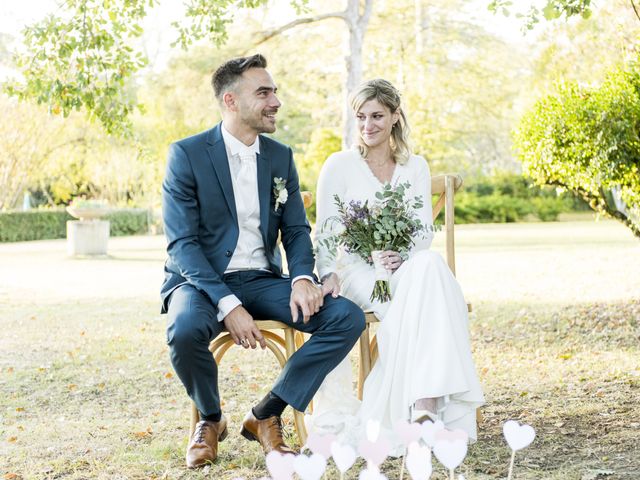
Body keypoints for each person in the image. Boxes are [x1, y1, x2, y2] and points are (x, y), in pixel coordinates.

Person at [161, 54, 365, 469]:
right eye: (264, 92)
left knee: (345, 317)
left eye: (274, 91)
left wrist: (303, 277)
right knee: (183, 329)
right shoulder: (186, 154)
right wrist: (228, 305)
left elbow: (295, 230)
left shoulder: (279, 156)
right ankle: (211, 419)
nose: (275, 101)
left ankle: (266, 413)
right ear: (231, 101)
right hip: (200, 282)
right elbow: (183, 245)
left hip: (261, 278)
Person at [312, 78, 485, 453]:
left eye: (377, 116)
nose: (367, 125)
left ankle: (422, 407)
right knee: (432, 294)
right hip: (359, 272)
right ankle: (428, 406)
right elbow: (324, 232)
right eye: (360, 117)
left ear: (394, 117)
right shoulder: (338, 165)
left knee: (429, 266)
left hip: (404, 266)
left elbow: (423, 228)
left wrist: (401, 255)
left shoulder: (414, 166)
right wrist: (327, 274)